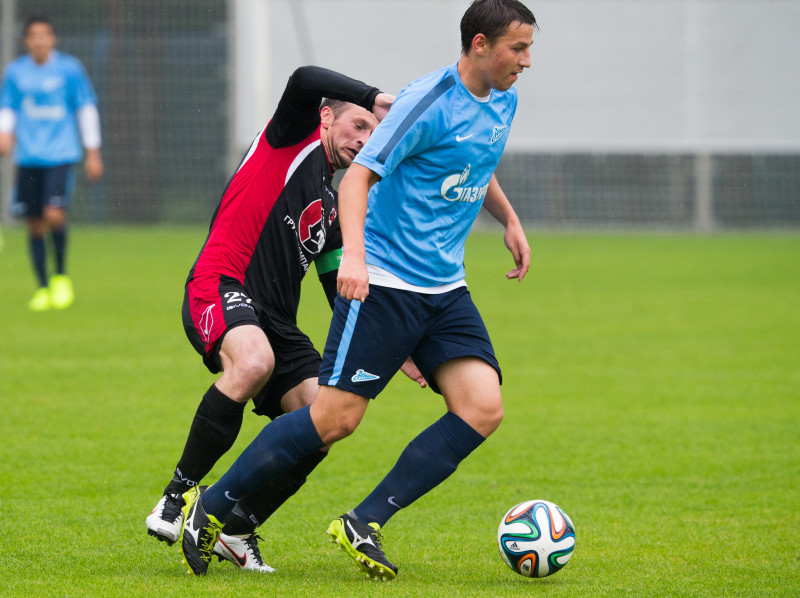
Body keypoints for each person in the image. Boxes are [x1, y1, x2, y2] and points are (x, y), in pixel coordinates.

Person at [178, 0, 535, 579]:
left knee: (482, 406)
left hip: (446, 289)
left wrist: (509, 220)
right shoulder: (428, 100)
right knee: (335, 417)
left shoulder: (504, 100)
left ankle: (363, 521)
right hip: (389, 283)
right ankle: (211, 508)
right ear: (479, 45)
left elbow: (476, 160)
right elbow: (360, 179)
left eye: (528, 49)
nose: (525, 61)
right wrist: (357, 263)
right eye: (517, 48)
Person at [145, 65, 415, 574]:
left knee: (325, 415)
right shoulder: (290, 138)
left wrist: (398, 348)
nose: (364, 138)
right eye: (358, 125)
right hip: (221, 282)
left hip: (278, 321)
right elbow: (304, 76)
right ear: (327, 117)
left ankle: (239, 531)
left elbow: (341, 291)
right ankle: (177, 496)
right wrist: (376, 97)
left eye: (373, 134)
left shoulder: (334, 204)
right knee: (252, 362)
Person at [0, 15, 103, 311]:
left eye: (45, 35)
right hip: (28, 157)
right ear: (26, 41)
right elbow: (8, 106)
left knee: (54, 214)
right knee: (34, 223)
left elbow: (85, 109)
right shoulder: (16, 72)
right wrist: (5, 133)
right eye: (34, 35)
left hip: (60, 155)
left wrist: (93, 152)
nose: (40, 40)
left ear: (53, 39)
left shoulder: (69, 69)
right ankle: (42, 287)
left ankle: (60, 277)